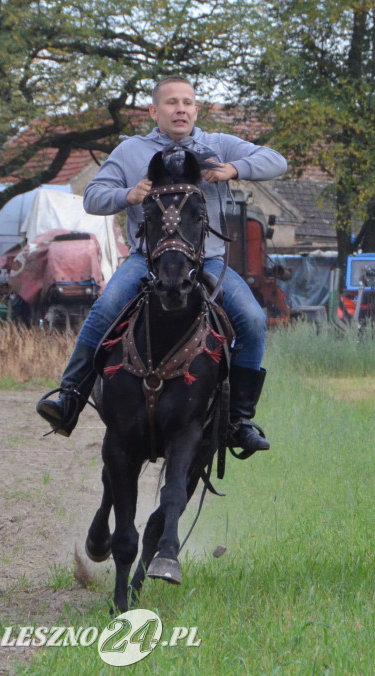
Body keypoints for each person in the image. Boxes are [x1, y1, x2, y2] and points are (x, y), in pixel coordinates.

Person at [35, 76, 287, 454]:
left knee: (251, 319)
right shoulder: (130, 151)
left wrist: (232, 170)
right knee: (105, 307)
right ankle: (69, 397)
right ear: (154, 111)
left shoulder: (217, 145)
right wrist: (127, 194)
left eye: (188, 102)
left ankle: (239, 420)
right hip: (147, 259)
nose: (180, 109)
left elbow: (276, 160)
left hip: (210, 260)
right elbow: (92, 196)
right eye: (171, 102)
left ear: (196, 110)